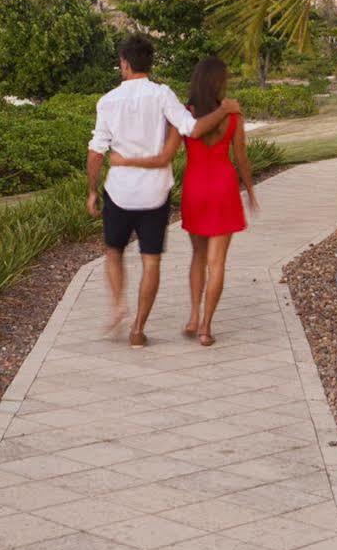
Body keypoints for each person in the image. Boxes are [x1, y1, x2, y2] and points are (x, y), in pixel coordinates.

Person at [86, 34, 236, 348]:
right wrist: (224, 112)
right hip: (154, 194)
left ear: (124, 64)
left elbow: (97, 152)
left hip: (119, 191)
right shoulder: (162, 94)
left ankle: (118, 305)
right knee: (150, 261)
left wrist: (92, 191)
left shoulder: (108, 101)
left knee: (114, 252)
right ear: (150, 64)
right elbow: (192, 128)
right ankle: (138, 329)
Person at [111, 55, 256, 347]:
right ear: (219, 82)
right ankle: (205, 328)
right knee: (217, 263)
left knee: (198, 256)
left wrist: (127, 161)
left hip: (196, 188)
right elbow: (240, 157)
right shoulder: (232, 114)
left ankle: (192, 315)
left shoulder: (184, 114)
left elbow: (167, 154)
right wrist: (251, 190)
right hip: (224, 188)